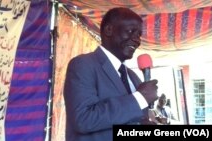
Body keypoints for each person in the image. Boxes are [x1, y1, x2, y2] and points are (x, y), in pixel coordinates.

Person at [63, 7, 158, 141]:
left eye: (139, 34)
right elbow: (83, 119)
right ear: (109, 30)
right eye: (131, 31)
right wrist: (140, 98)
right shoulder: (83, 65)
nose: (137, 40)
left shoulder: (133, 77)